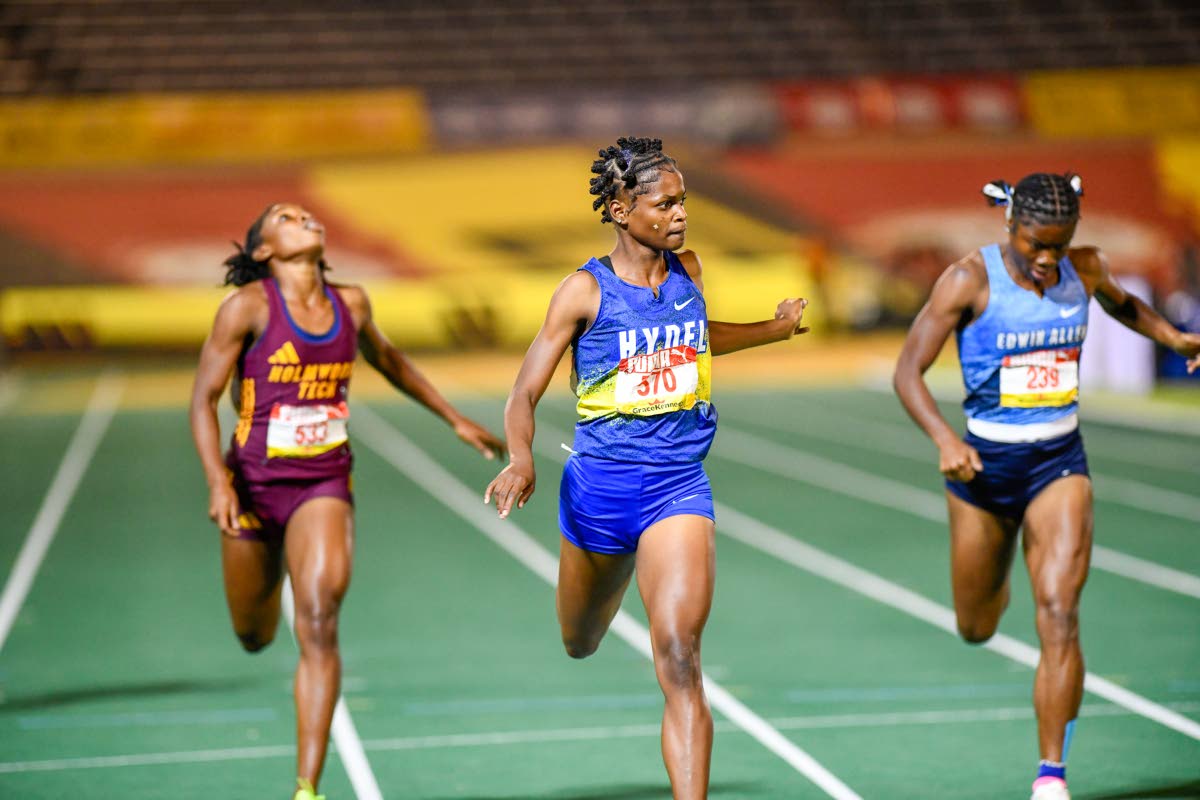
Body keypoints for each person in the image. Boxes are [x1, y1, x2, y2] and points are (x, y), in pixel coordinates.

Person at [483, 137, 809, 799]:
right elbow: (523, 391)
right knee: (579, 640)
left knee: (681, 656)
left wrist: (770, 331)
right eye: (665, 203)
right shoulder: (582, 291)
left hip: (677, 485)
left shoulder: (688, 269)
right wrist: (521, 458)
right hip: (598, 489)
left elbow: (695, 337)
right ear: (619, 208)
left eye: (684, 199)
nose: (681, 213)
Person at [892, 173, 1200, 800]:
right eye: (1036, 243)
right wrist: (946, 442)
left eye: (1059, 245)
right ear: (1009, 225)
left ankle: (1051, 774)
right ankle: (999, 569)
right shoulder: (967, 280)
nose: (1046, 258)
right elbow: (908, 372)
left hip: (1058, 462)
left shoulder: (1082, 268)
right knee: (976, 624)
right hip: (982, 469)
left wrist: (1170, 335)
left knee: (1059, 612)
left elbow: (1122, 303)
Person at [189, 203, 504, 800]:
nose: (303, 216)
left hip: (323, 483)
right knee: (253, 636)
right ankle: (262, 591)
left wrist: (455, 419)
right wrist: (217, 482)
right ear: (263, 251)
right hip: (252, 488)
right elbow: (202, 401)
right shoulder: (248, 308)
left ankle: (308, 787)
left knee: (318, 619)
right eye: (285, 216)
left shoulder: (351, 304)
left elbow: (391, 362)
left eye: (305, 213)